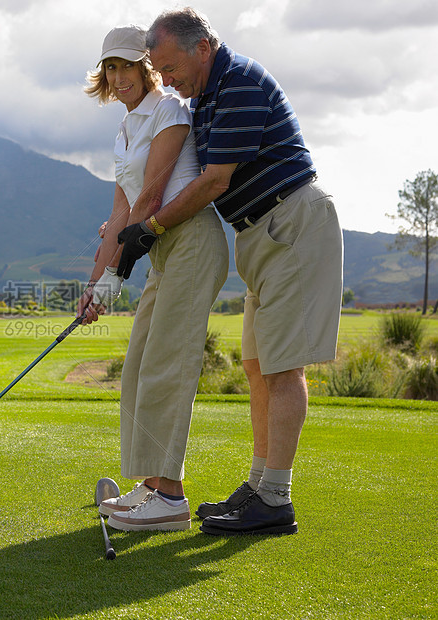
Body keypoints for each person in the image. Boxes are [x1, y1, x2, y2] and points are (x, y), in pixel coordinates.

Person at [118, 7, 343, 535]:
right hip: (259, 234)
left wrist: (149, 227)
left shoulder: (239, 80)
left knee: (282, 367)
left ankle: (274, 498)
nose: (167, 79)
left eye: (170, 68)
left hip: (291, 222)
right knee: (257, 364)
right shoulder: (208, 95)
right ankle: (259, 486)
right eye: (159, 70)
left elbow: (214, 181)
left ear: (203, 48)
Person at [78, 24, 228, 532]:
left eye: (127, 66)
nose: (119, 77)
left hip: (192, 241)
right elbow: (120, 215)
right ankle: (151, 484)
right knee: (140, 364)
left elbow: (151, 198)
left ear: (147, 67)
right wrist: (93, 286)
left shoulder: (169, 110)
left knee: (167, 365)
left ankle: (172, 499)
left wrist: (114, 278)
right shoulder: (123, 132)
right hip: (164, 249)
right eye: (111, 68)